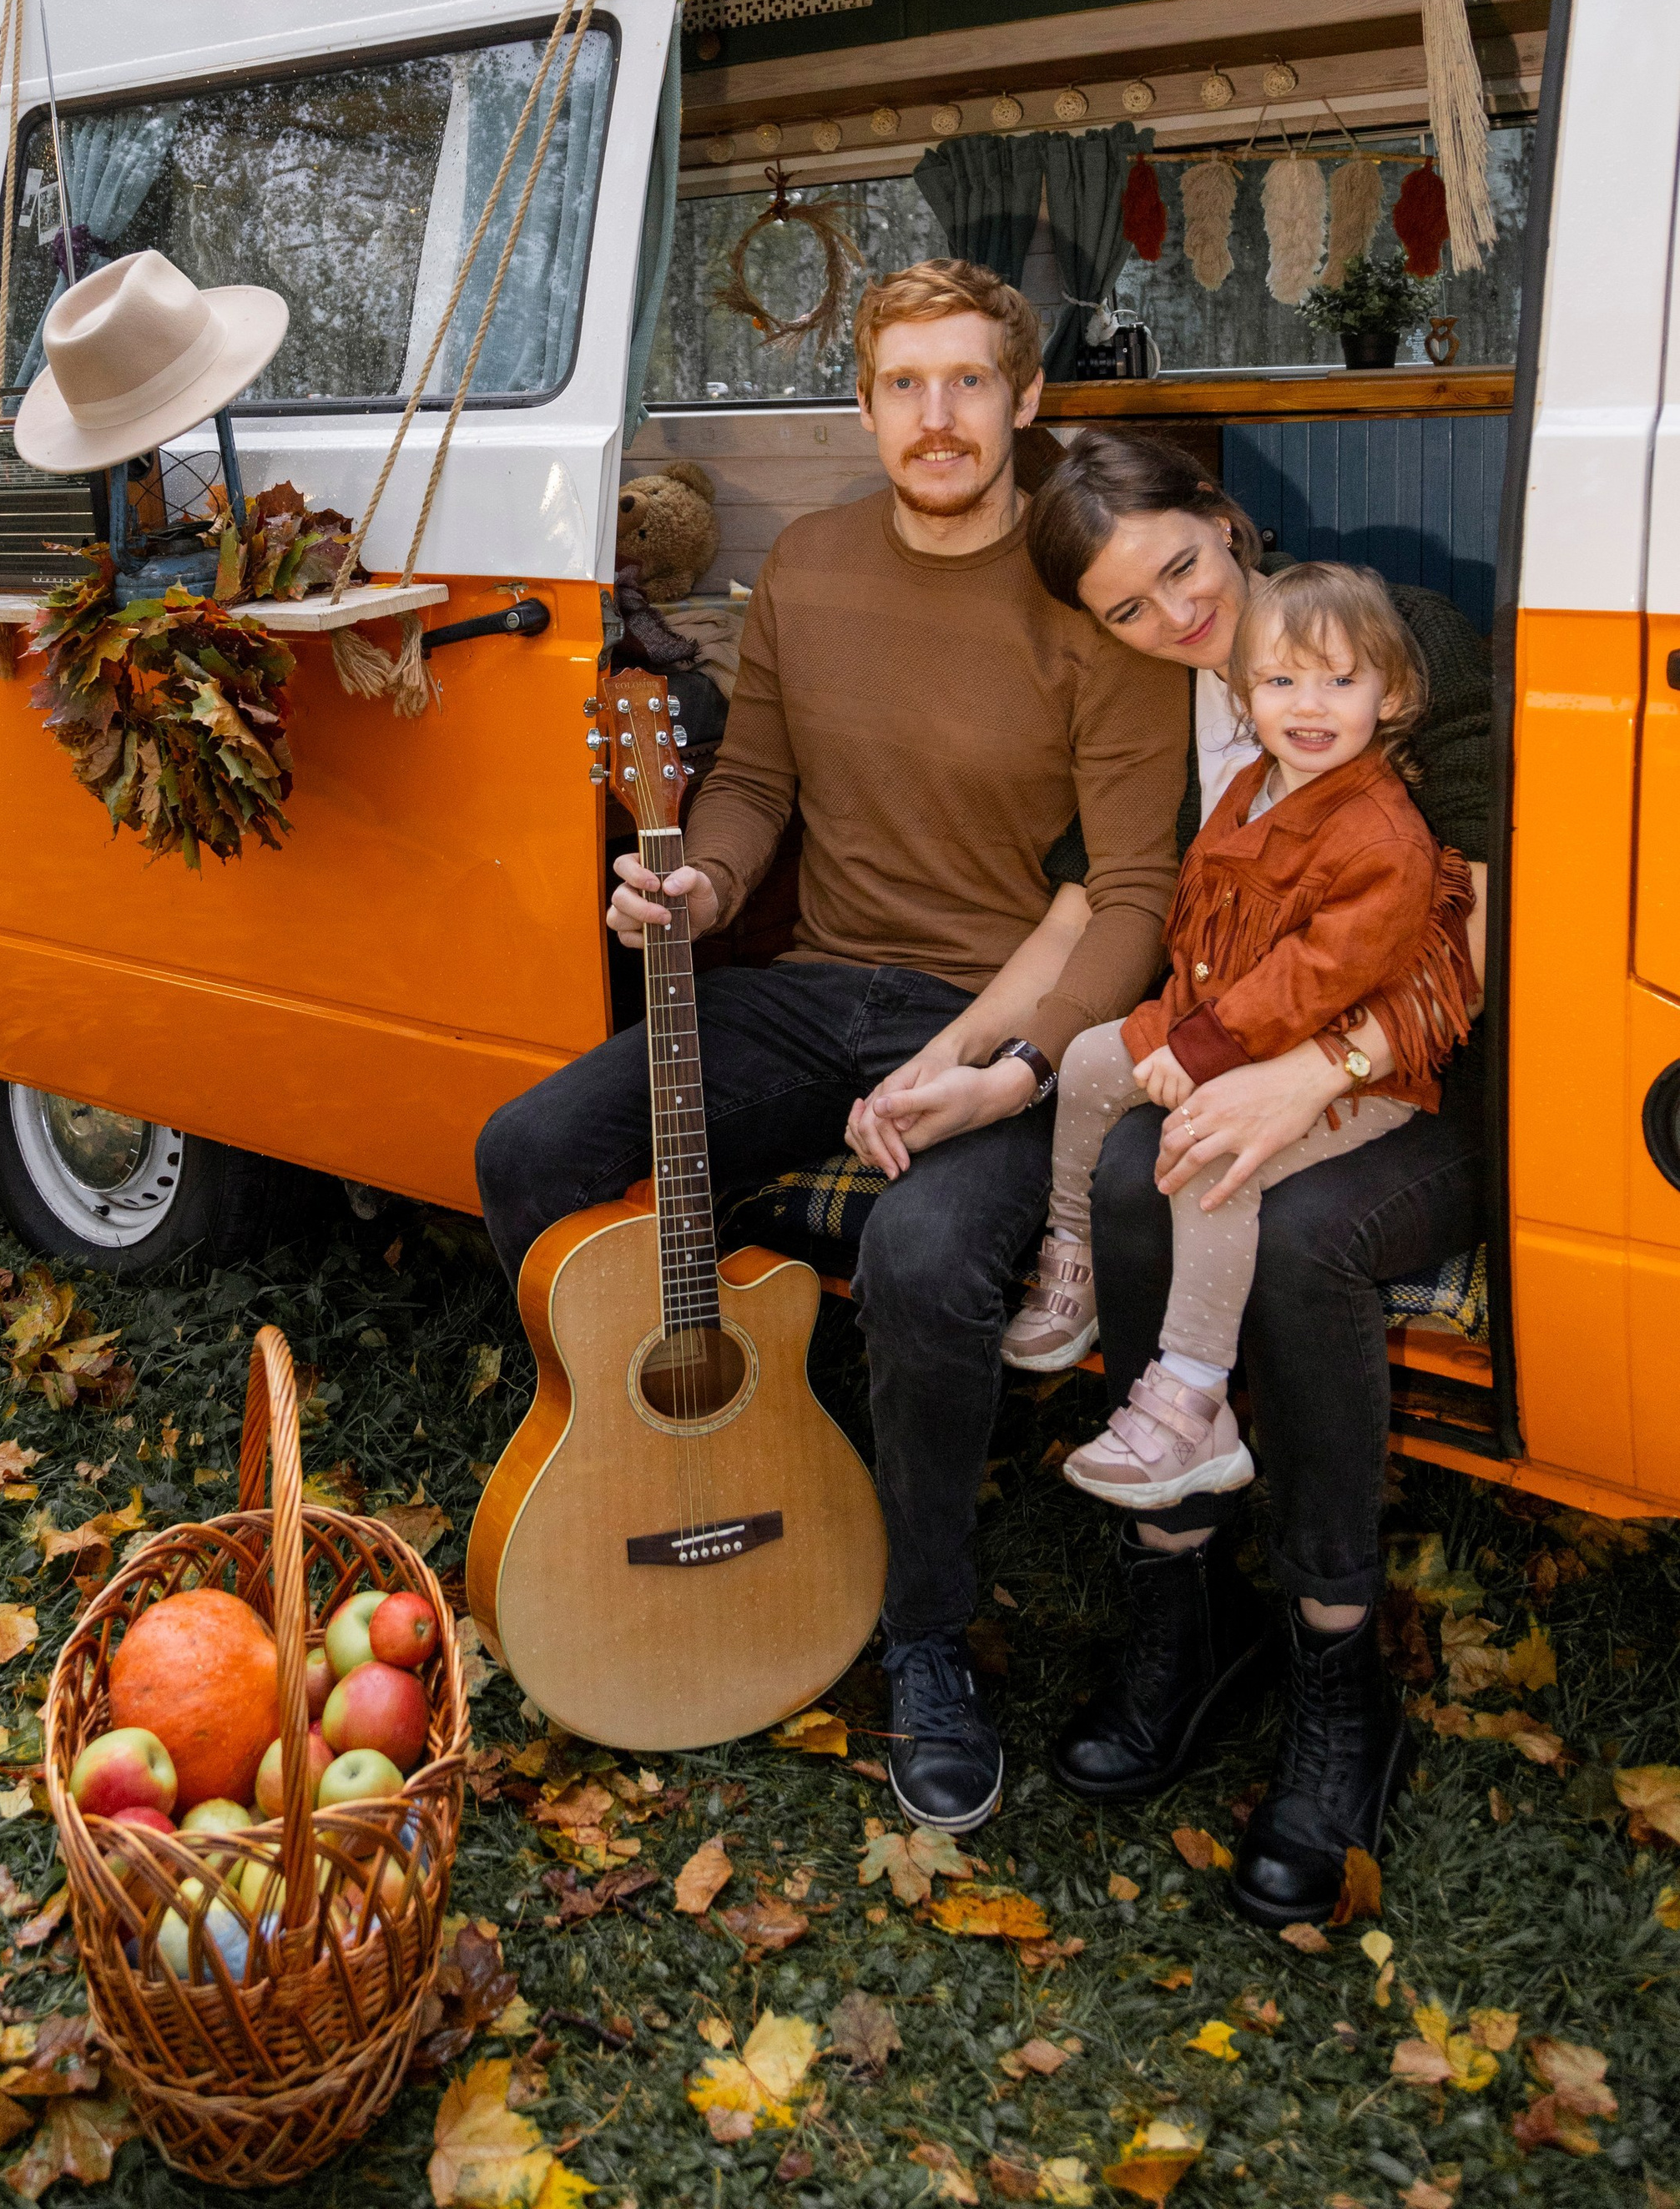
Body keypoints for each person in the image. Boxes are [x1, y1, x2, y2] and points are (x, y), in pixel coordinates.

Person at [475, 263, 1190, 1834]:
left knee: (926, 1259)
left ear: (1027, 400)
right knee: (530, 1149)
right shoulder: (808, 563)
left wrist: (1014, 1067)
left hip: (999, 1014)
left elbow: (1136, 894)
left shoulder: (1095, 596)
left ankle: (925, 1635)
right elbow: (755, 783)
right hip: (813, 992)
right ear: (863, 408)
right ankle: (614, 1475)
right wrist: (703, 880)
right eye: (905, 386)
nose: (938, 418)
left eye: (970, 382)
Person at [850, 426, 1491, 1927]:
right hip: (1236, 1045)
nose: (1177, 619)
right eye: (1128, 609)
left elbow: (1480, 910)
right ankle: (1179, 1609)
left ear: (1226, 517)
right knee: (1144, 1171)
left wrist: (1309, 1072)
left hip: (1418, 1077)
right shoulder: (1167, 699)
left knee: (1306, 1235)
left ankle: (1337, 1674)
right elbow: (1095, 905)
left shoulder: (1391, 641)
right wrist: (968, 1056)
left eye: (1185, 570)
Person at [1008, 561, 1478, 1514]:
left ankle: (1192, 1401)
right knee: (1092, 1058)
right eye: (1281, 680)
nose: (1308, 705)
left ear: (1391, 695)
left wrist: (1198, 1052)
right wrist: (1169, 1028)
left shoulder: (1383, 837)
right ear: (1244, 697)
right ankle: (1073, 1250)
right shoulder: (1252, 788)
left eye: (1339, 680)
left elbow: (1318, 975)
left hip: (1343, 1069)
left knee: (1210, 1153)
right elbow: (1206, 926)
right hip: (1221, 1025)